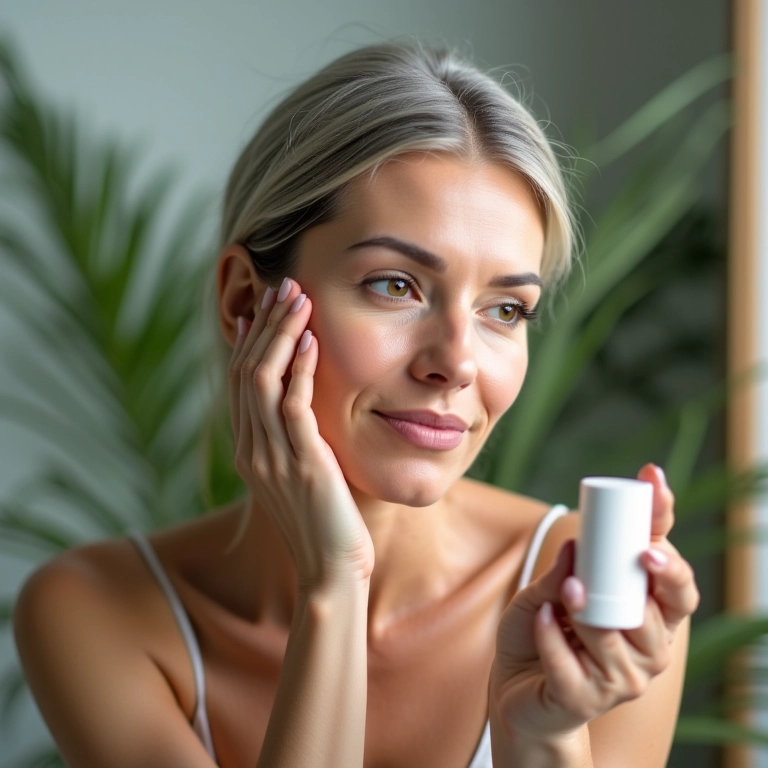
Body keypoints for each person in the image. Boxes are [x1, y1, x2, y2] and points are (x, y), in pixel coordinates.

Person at [13, 40, 699, 768]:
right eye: (395, 285)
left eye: (506, 308)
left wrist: (546, 738)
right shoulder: (96, 612)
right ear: (247, 300)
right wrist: (333, 588)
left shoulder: (593, 596)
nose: (457, 362)